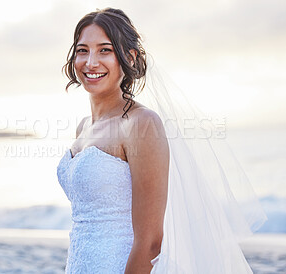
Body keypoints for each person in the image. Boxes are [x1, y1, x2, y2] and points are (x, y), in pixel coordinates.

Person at [57, 7, 267, 274]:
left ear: (130, 58)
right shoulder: (84, 127)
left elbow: (151, 242)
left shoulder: (141, 123)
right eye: (82, 50)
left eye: (105, 50)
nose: (91, 62)